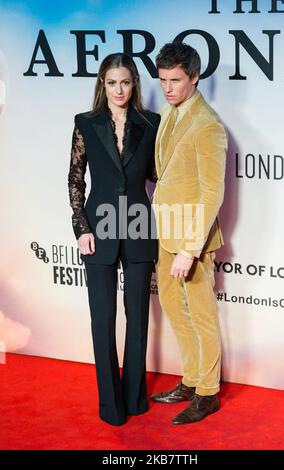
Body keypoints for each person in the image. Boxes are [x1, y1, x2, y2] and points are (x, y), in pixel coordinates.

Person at [68, 53, 160, 426]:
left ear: (134, 83)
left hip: (139, 226)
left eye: (124, 82)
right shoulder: (85, 124)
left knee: (137, 317)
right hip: (99, 229)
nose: (118, 89)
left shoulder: (151, 122)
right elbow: (76, 180)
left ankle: (136, 399)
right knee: (102, 318)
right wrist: (81, 228)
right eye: (111, 82)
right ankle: (111, 405)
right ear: (101, 85)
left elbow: (159, 175)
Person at [151, 42, 227, 424]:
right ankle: (192, 378)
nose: (168, 88)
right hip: (166, 232)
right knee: (172, 307)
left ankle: (208, 393)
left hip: (192, 240)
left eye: (176, 81)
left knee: (200, 315)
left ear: (195, 77)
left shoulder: (208, 124)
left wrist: (190, 249)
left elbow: (212, 193)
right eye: (163, 80)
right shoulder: (170, 112)